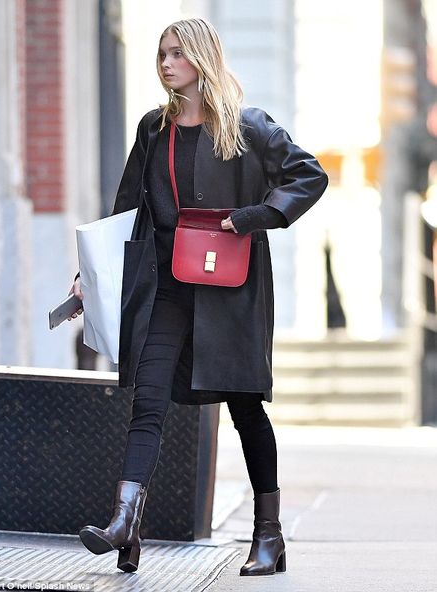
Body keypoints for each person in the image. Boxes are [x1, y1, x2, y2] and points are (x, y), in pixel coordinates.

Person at [68, 17, 328, 576]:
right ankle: (124, 523)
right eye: (161, 53)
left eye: (178, 54)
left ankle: (268, 534)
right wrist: (87, 275)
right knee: (148, 401)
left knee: (245, 408)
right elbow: (125, 210)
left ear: (203, 58)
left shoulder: (249, 127)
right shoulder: (153, 129)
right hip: (165, 287)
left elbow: (310, 176)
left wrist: (250, 218)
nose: (166, 63)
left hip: (229, 292)